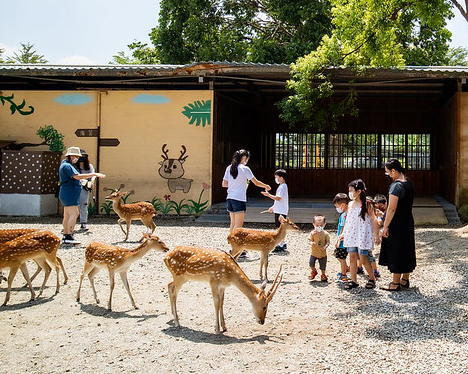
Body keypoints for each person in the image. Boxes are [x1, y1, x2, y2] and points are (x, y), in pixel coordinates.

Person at [379, 158, 416, 291]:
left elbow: (391, 208)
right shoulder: (408, 182)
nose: (388, 175)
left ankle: (395, 283)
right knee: (406, 248)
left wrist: (386, 225)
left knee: (397, 250)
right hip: (408, 220)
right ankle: (405, 279)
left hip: (397, 222)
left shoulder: (396, 186)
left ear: (393, 171)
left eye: (387, 172)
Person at [339, 179, 380, 289]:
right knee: (352, 257)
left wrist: (376, 235)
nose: (350, 193)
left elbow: (374, 219)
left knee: (363, 257)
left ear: (359, 191)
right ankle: (354, 281)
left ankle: (372, 278)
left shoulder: (367, 204)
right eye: (349, 191)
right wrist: (343, 233)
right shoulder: (351, 204)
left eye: (352, 190)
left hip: (363, 235)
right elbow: (348, 220)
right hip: (352, 234)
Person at [59, 146, 105, 244]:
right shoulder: (67, 166)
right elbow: (77, 176)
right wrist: (94, 174)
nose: (77, 158)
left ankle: (66, 235)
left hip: (67, 192)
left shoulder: (65, 164)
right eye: (76, 156)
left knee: (67, 215)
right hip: (69, 192)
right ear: (71, 156)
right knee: (74, 213)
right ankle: (69, 235)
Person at [222, 149, 271, 233]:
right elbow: (256, 182)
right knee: (238, 225)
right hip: (239, 198)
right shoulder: (245, 169)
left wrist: (234, 185)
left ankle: (231, 242)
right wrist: (266, 186)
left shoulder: (229, 168)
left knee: (233, 223)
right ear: (244, 158)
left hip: (230, 197)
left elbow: (224, 184)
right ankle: (235, 244)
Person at [261, 169, 289, 252]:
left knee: (280, 227)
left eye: (276, 177)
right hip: (279, 209)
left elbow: (278, 198)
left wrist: (268, 195)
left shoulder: (283, 186)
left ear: (281, 177)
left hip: (281, 210)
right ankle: (282, 243)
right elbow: (278, 200)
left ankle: (281, 244)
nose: (276, 179)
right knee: (279, 227)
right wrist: (273, 207)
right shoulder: (281, 186)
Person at [333, 193, 350, 282]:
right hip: (347, 240)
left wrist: (338, 241)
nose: (337, 208)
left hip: (343, 241)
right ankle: (345, 269)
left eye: (337, 206)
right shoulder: (349, 213)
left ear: (342, 205)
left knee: (341, 258)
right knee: (339, 256)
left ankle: (344, 275)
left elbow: (342, 229)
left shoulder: (344, 215)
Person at [307, 214, 330, 282]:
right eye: (317, 226)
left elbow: (328, 241)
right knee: (311, 263)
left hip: (322, 254)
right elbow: (309, 240)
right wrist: (311, 243)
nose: (319, 227)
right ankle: (314, 271)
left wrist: (326, 246)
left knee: (323, 266)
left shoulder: (325, 234)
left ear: (324, 224)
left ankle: (323, 275)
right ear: (313, 224)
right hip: (314, 253)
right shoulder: (312, 233)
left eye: (321, 225)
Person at [77, 149, 96, 231]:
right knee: (73, 206)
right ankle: (70, 224)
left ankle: (83, 223)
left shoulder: (89, 166)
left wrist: (92, 181)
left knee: (84, 205)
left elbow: (93, 175)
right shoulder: (74, 166)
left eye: (83, 156)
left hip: (85, 188)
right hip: (75, 187)